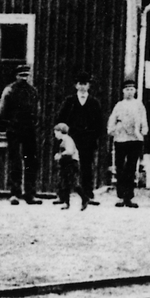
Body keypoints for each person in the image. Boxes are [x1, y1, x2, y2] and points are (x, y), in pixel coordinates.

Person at [55, 72, 105, 208]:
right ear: (76, 86)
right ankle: (63, 196)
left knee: (87, 168)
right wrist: (65, 137)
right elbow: (61, 120)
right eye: (80, 84)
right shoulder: (69, 101)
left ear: (89, 86)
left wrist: (93, 137)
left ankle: (88, 195)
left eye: (85, 84)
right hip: (71, 140)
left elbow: (99, 123)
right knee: (66, 168)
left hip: (88, 141)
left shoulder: (94, 102)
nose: (82, 87)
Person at [0, 64, 41, 205]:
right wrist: (3, 125)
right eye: (21, 75)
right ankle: (14, 193)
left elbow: (37, 110)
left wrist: (35, 123)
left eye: (26, 75)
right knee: (15, 161)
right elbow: (1, 111)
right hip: (14, 129)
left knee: (30, 161)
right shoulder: (9, 90)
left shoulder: (33, 91)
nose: (24, 78)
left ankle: (30, 194)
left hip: (29, 130)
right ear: (16, 76)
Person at [107, 78, 148, 208]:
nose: (129, 92)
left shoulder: (139, 105)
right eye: (127, 89)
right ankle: (121, 196)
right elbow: (112, 120)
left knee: (131, 167)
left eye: (131, 89)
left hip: (134, 139)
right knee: (120, 167)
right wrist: (113, 130)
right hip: (121, 139)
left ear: (135, 91)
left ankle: (129, 196)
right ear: (123, 91)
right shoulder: (119, 105)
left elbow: (143, 120)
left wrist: (143, 131)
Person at [51, 122, 83, 210]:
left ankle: (84, 198)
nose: (55, 135)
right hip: (66, 163)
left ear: (60, 132)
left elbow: (70, 151)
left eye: (56, 132)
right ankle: (66, 202)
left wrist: (60, 155)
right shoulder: (63, 140)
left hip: (71, 163)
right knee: (65, 183)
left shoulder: (67, 140)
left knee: (73, 182)